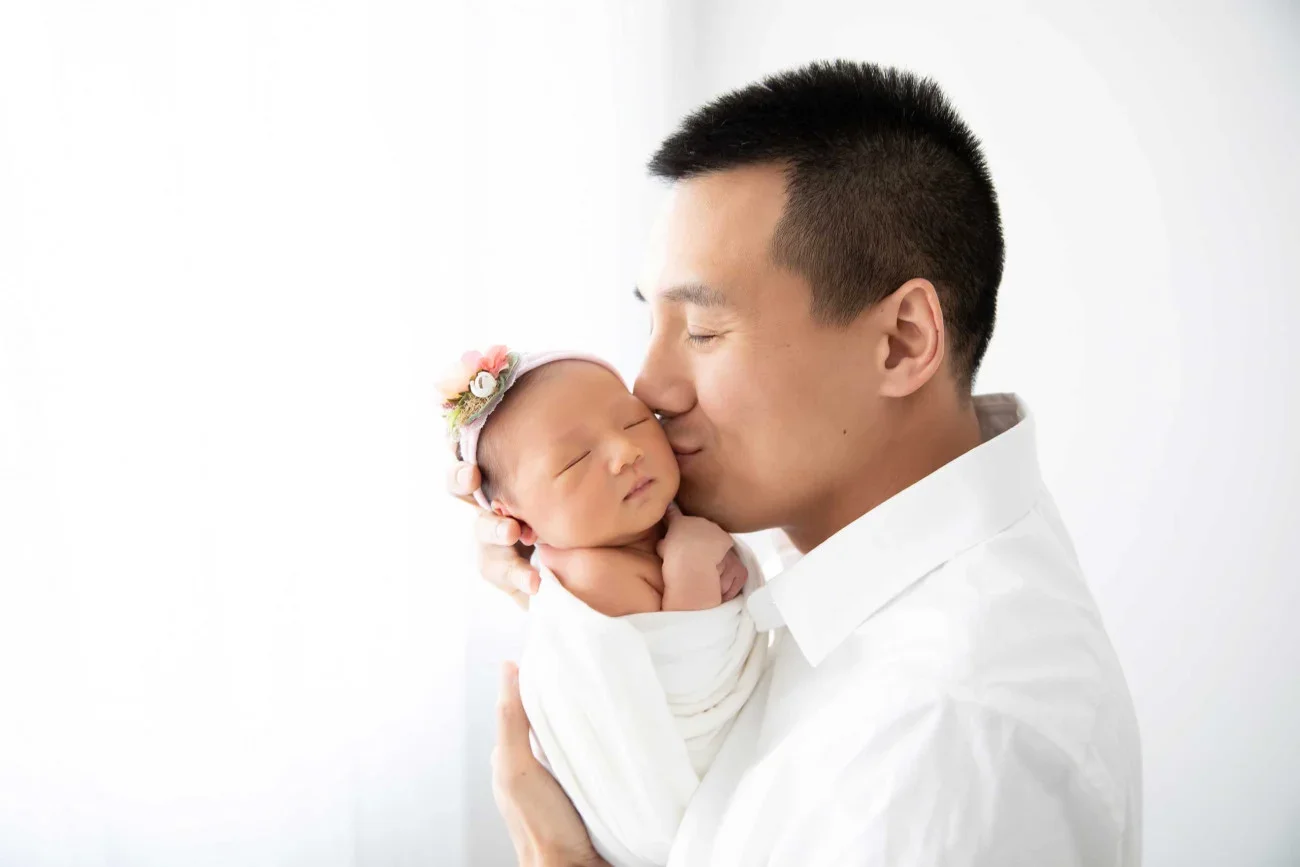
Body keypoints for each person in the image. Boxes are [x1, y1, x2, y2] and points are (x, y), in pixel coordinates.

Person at [449, 60, 1142, 866]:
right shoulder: (844, 545)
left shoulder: (943, 737)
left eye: (703, 331)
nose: (649, 386)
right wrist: (591, 575)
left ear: (901, 341)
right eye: (653, 323)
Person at [440, 346, 766, 866]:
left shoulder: (649, 521)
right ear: (514, 518)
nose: (624, 452)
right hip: (676, 798)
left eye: (635, 421)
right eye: (574, 461)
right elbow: (690, 673)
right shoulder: (592, 576)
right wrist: (690, 567)